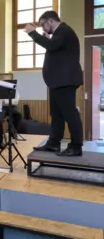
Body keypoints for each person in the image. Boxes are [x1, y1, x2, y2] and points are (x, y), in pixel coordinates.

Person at [24, 10, 83, 156]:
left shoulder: (64, 30)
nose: (43, 28)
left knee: (70, 114)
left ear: (50, 20)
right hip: (58, 82)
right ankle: (53, 144)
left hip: (65, 81)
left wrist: (33, 33)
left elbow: (52, 46)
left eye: (43, 25)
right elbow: (54, 47)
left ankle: (76, 146)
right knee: (56, 114)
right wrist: (46, 39)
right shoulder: (59, 34)